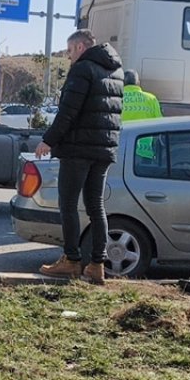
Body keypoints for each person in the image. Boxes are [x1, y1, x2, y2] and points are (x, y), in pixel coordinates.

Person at [35, 29, 123, 285]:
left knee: (68, 203)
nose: (69, 56)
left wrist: (48, 141)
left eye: (71, 50)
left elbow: (68, 112)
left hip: (78, 149)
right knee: (96, 206)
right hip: (104, 149)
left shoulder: (83, 69)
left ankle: (71, 260)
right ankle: (97, 265)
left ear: (82, 47)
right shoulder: (115, 72)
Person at [120, 69, 162, 161]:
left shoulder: (117, 98)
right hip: (145, 152)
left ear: (123, 82)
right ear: (138, 83)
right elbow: (160, 124)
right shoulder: (151, 99)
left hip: (121, 150)